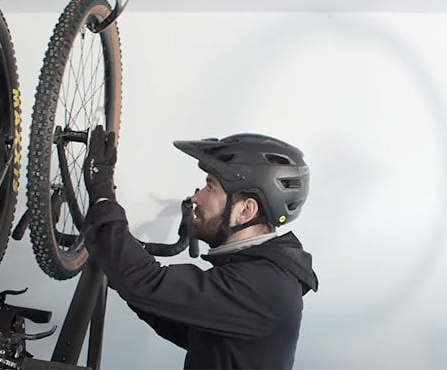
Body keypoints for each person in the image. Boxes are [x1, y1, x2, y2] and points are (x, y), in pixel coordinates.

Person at [81, 126, 318, 369]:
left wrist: (102, 193)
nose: (196, 198)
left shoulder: (265, 285)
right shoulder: (260, 275)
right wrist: (121, 267)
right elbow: (181, 321)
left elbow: (149, 284)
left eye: (210, 187)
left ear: (245, 211)